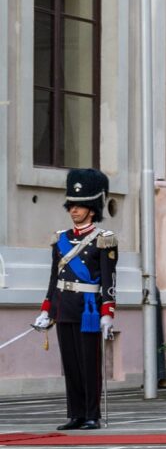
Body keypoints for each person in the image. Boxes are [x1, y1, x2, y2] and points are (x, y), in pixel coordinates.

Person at [40, 168, 117, 431]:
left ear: (92, 209)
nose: (74, 210)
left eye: (80, 206)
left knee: (88, 363)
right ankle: (75, 414)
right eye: (71, 205)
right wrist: (46, 310)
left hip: (89, 310)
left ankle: (92, 415)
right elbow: (54, 278)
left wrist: (108, 312)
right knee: (70, 364)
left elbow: (108, 280)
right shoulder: (60, 239)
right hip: (64, 306)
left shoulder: (103, 240)